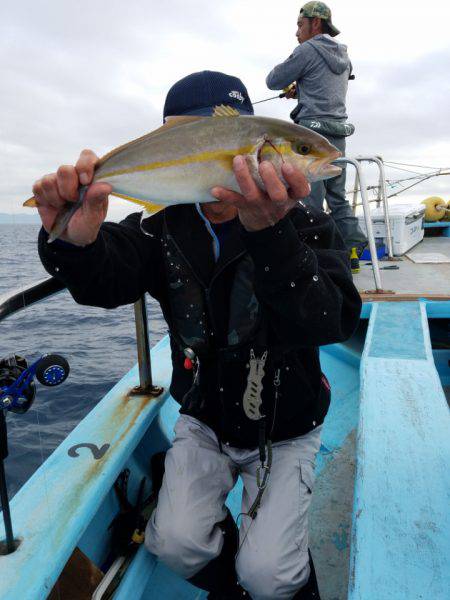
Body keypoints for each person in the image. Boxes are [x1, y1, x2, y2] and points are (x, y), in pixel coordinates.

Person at [34, 70, 361, 599]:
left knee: (271, 575)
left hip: (287, 423)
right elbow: (105, 279)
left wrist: (272, 233)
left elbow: (331, 320)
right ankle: (231, 585)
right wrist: (70, 243)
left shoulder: (303, 224)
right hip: (204, 417)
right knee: (176, 544)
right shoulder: (162, 227)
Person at [266, 1, 367, 269]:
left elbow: (272, 80)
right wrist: (300, 90)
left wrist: (293, 84)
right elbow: (326, 87)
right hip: (337, 135)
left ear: (316, 23)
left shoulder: (307, 49)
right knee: (338, 198)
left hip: (310, 136)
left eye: (300, 25)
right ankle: (352, 253)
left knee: (309, 197)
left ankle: (319, 259)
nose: (296, 32)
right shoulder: (345, 56)